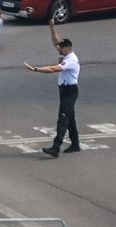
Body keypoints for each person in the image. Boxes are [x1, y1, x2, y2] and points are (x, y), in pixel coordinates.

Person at [26, 18, 81, 158]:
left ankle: (56, 148)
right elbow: (56, 41)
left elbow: (52, 69)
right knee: (70, 119)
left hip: (70, 91)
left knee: (63, 119)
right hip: (65, 91)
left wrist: (35, 69)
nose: (59, 49)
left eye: (62, 48)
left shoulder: (71, 60)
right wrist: (52, 28)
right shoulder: (66, 53)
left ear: (68, 48)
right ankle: (75, 144)